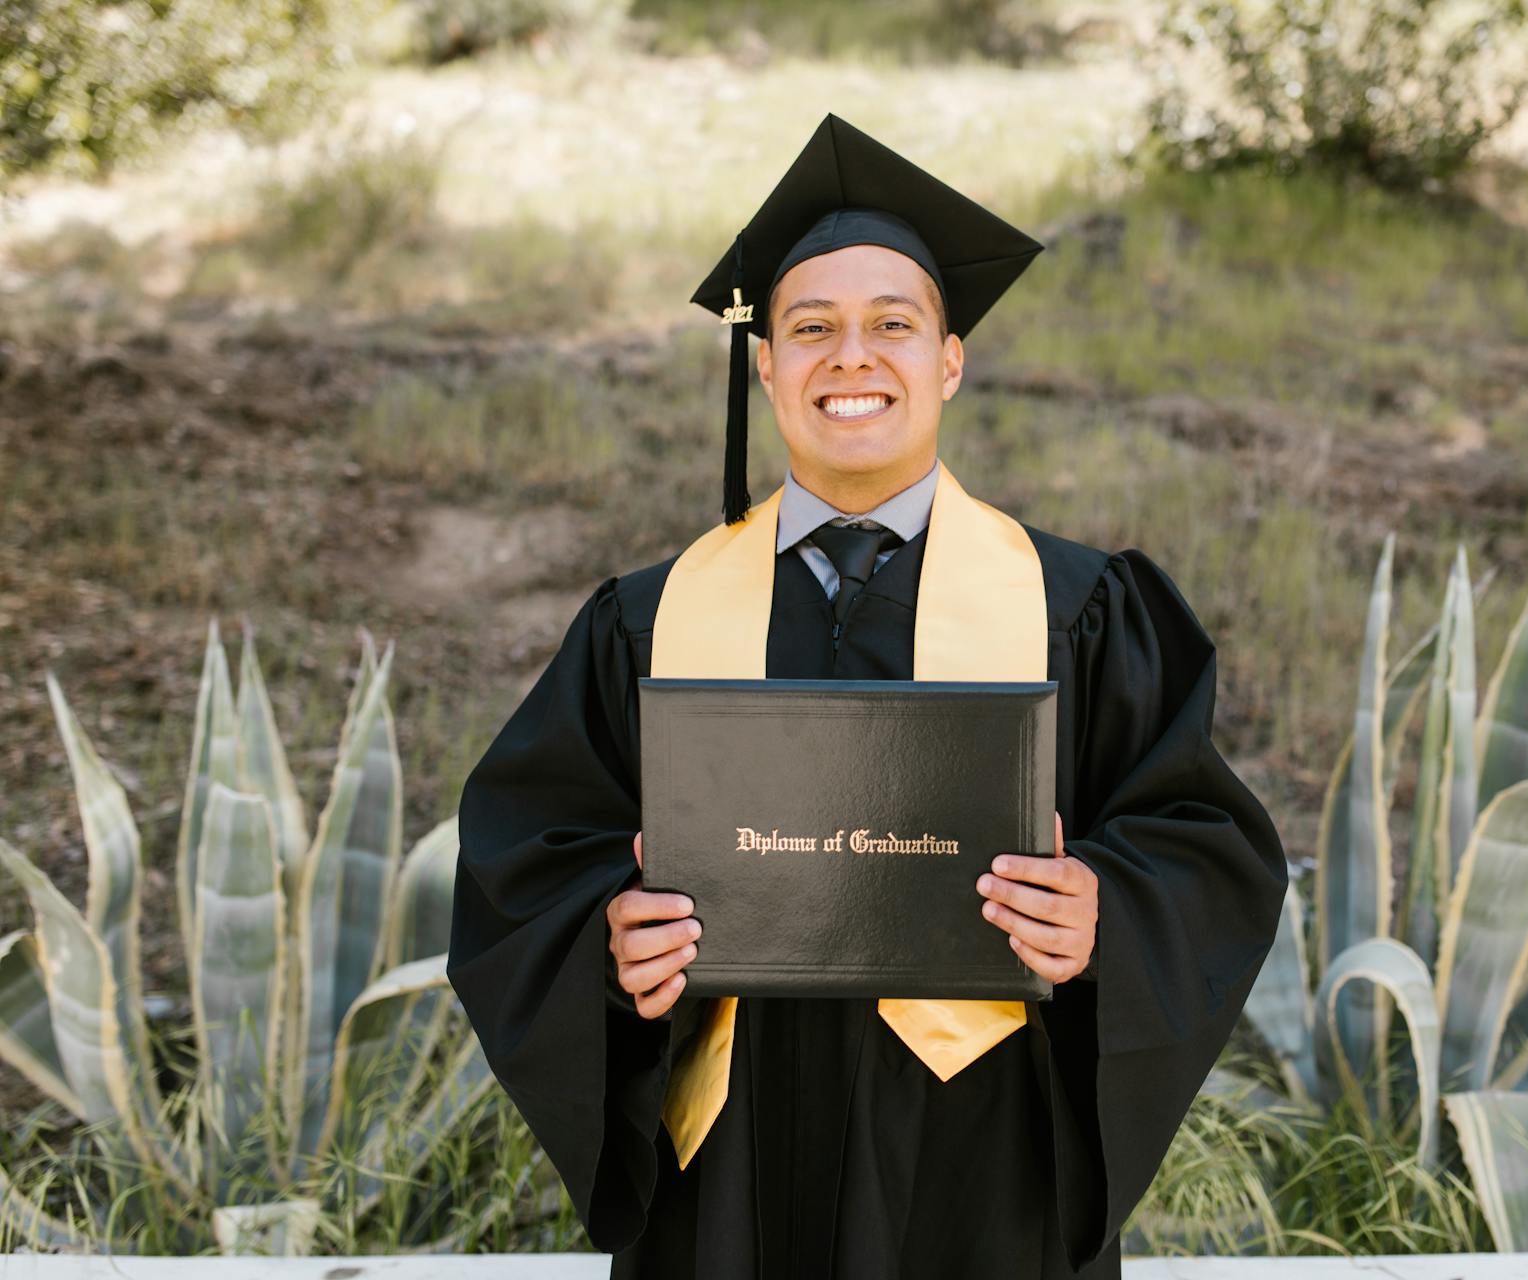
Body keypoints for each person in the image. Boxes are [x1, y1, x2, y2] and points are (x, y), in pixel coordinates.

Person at [449, 113, 1290, 1279]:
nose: (854, 356)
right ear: (768, 367)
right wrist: (605, 939)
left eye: (894, 324)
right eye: (812, 329)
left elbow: (1205, 844)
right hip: (728, 1172)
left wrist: (1107, 913)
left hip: (981, 1163)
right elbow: (523, 856)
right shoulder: (648, 620)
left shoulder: (1078, 607)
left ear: (950, 359)